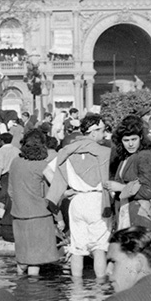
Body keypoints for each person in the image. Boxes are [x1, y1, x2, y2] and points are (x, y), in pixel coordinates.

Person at [47, 113, 112, 278]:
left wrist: (63, 191)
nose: (104, 134)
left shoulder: (66, 151)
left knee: (77, 249)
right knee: (99, 249)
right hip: (98, 200)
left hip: (77, 201)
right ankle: (99, 291)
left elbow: (48, 170)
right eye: (102, 130)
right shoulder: (104, 151)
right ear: (93, 132)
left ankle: (76, 292)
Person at [106, 115, 151, 243]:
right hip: (132, 211)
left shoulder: (144, 155)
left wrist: (121, 187)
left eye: (134, 139)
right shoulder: (127, 156)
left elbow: (148, 191)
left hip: (144, 213)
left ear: (141, 137)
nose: (130, 144)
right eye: (126, 140)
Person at [8, 129, 59, 274]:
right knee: (34, 262)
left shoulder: (15, 162)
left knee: (22, 258)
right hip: (39, 216)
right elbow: (56, 186)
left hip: (18, 215)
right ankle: (33, 292)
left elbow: (10, 190)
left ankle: (20, 290)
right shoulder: (42, 165)